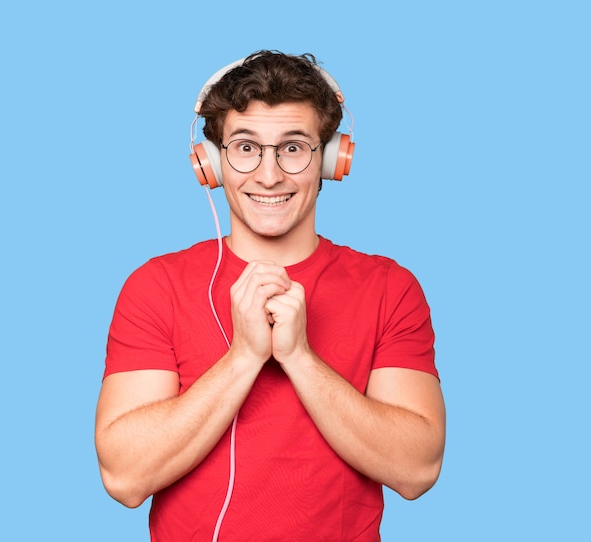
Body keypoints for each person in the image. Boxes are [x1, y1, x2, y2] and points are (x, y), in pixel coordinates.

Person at [95, 50, 446, 541]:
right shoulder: (155, 286)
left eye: (293, 147)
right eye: (245, 147)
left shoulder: (390, 288)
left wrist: (300, 357)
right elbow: (125, 478)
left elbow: (417, 470)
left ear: (329, 159)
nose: (268, 174)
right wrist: (243, 358)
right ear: (211, 163)